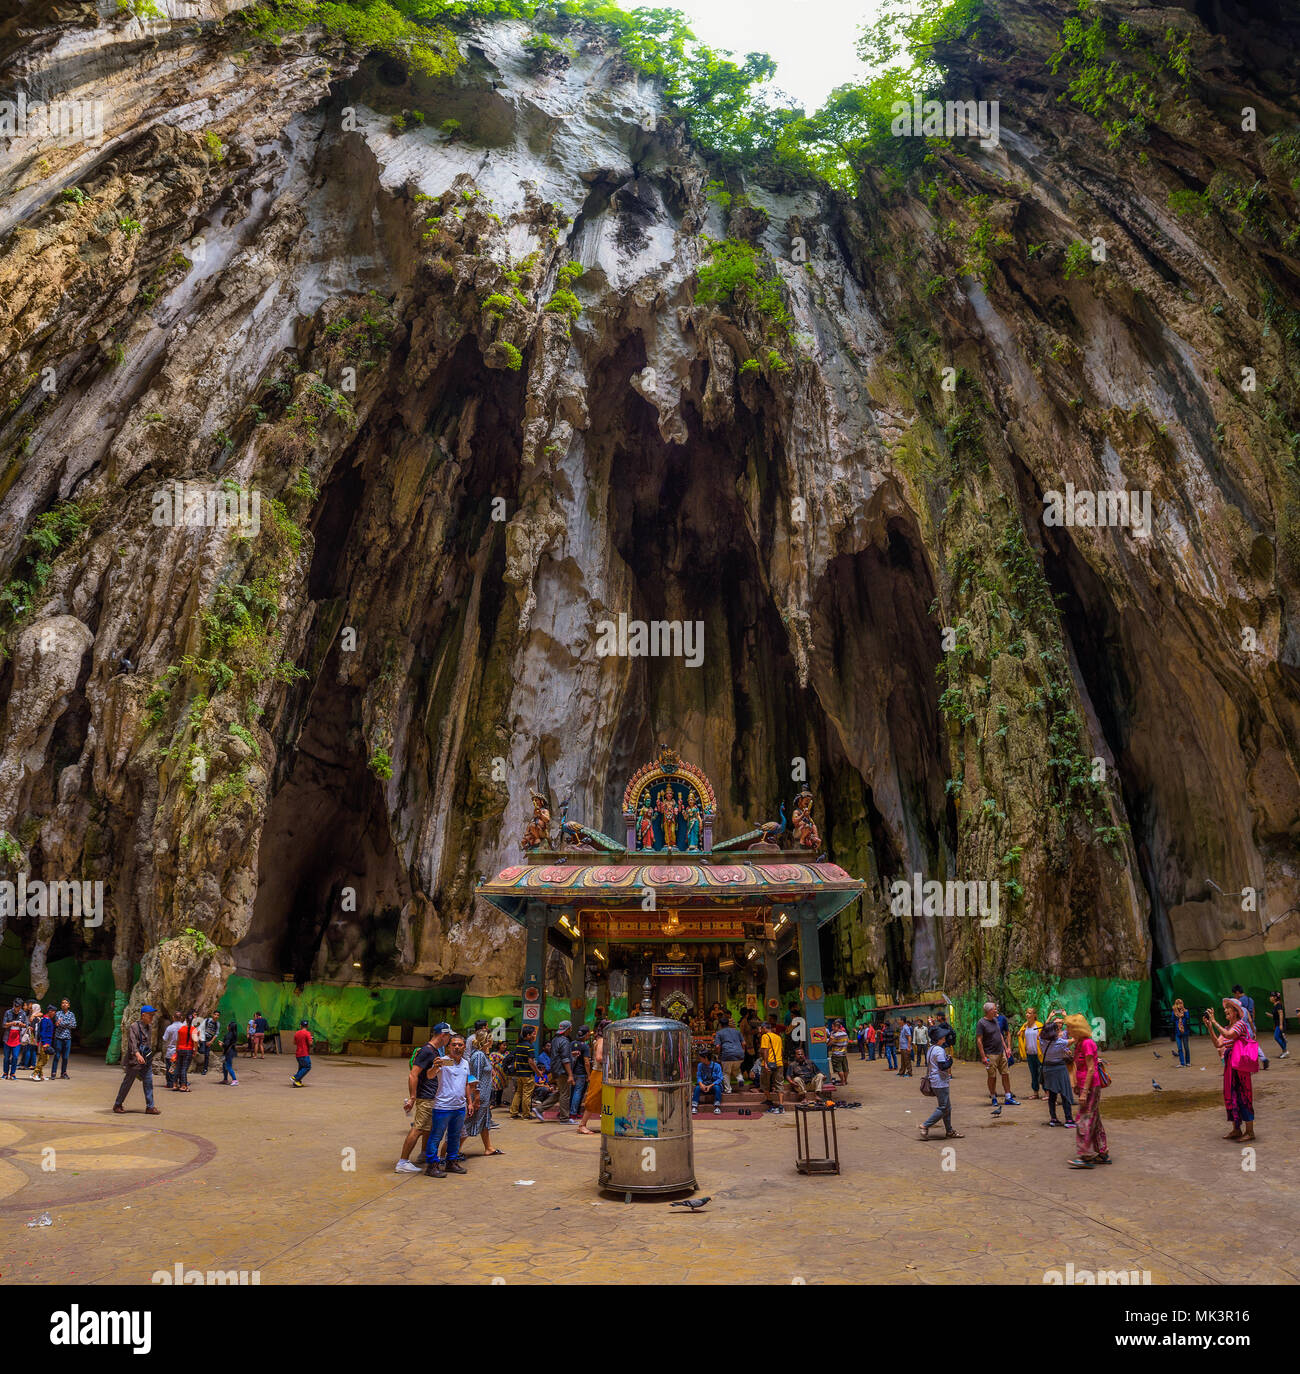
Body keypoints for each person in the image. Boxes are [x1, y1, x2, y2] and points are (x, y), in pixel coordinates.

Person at [397, 1023, 452, 1172]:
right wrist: (413, 1098)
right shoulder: (427, 1051)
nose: (449, 1039)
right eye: (449, 1036)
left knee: (428, 1128)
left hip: (430, 1095)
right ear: (443, 1035)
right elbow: (413, 1074)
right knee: (418, 1128)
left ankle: (424, 1154)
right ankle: (403, 1162)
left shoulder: (433, 1051)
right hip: (425, 1096)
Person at [424, 1035, 477, 1178]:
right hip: (442, 1106)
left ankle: (451, 1162)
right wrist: (435, 1067)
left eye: (460, 1045)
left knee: (454, 1136)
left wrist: (469, 1102)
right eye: (454, 1045)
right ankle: (432, 1165)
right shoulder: (444, 1061)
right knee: (436, 1137)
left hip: (459, 1107)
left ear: (464, 1047)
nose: (457, 1047)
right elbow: (429, 1076)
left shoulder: (466, 1063)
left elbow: (466, 1083)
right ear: (449, 1047)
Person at [1206, 998, 1257, 1142]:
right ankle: (1236, 1129)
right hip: (1230, 1066)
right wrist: (1210, 1027)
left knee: (1244, 1095)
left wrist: (1214, 1022)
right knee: (1231, 1094)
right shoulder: (1227, 1027)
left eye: (1228, 1008)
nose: (1225, 1010)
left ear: (1235, 1011)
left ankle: (1250, 1131)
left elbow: (1229, 1036)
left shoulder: (1240, 1024)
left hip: (1240, 1067)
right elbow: (1218, 1043)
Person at [1065, 1013, 1108, 1167]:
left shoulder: (1087, 1043)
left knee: (1084, 1120)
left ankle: (1085, 1156)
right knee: (1094, 1119)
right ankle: (1102, 1152)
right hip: (1085, 1086)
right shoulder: (1079, 1043)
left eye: (1069, 1027)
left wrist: (1084, 1092)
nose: (1067, 1030)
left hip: (1090, 1087)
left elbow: (1091, 1069)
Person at [462, 1027, 503, 1156]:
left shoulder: (482, 1054)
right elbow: (475, 1077)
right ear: (486, 1041)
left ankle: (488, 1147)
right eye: (490, 1040)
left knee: (485, 1121)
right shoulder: (479, 1055)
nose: (492, 1042)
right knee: (471, 1122)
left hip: (485, 1095)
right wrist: (476, 1098)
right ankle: (452, 1151)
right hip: (480, 1096)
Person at [113, 1005, 161, 1114]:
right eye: (150, 1015)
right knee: (128, 1083)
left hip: (146, 1061)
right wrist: (137, 1054)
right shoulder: (134, 1026)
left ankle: (150, 1106)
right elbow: (132, 1042)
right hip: (135, 1061)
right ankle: (117, 1104)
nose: (152, 1017)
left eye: (153, 1015)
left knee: (148, 1082)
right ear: (143, 1015)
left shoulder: (149, 1027)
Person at [918, 1028, 961, 1140]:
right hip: (940, 1082)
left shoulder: (931, 1049)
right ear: (939, 1039)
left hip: (935, 1080)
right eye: (943, 1037)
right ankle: (925, 1125)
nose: (945, 1038)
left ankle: (949, 1131)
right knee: (943, 1107)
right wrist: (950, 1062)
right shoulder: (939, 1050)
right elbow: (943, 1066)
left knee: (947, 1107)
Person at [977, 1001, 1019, 1107]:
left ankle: (1008, 1097)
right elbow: (979, 1040)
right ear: (989, 1011)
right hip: (990, 1054)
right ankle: (993, 1097)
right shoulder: (981, 1023)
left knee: (1005, 1074)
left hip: (1001, 1052)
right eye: (994, 1009)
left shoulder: (995, 1020)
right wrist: (983, 1056)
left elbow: (1000, 1035)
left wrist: (1006, 1049)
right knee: (992, 1076)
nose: (996, 1010)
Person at [534, 1019, 574, 1120]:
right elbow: (565, 1059)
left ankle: (539, 1109)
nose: (571, 1029)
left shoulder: (555, 1039)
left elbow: (558, 1055)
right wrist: (570, 1075)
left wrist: (571, 1054)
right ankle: (564, 1118)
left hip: (556, 1070)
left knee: (560, 1092)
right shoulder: (565, 1041)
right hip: (562, 1071)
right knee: (565, 1094)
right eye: (570, 1028)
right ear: (568, 1029)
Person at [1040, 1018, 1075, 1127]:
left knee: (1052, 1095)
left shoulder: (1042, 1041)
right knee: (1065, 1093)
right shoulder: (1060, 1042)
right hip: (1059, 1069)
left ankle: (1053, 1118)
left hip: (1047, 1069)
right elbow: (1073, 1039)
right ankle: (1069, 1120)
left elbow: (1041, 1033)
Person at [575, 1019, 607, 1134]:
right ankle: (582, 1125)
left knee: (603, 1099)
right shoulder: (602, 1041)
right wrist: (612, 1061)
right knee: (592, 1099)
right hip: (599, 1073)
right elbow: (599, 1058)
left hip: (601, 1073)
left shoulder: (600, 1040)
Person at [507, 1025, 538, 1120]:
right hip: (527, 1074)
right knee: (527, 1094)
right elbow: (531, 1062)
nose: (535, 1035)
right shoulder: (529, 1046)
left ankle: (513, 1113)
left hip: (519, 1073)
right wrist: (538, 1072)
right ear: (528, 1035)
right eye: (533, 1034)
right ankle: (526, 1114)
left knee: (518, 1092)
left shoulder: (519, 1045)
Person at [760, 1016, 785, 1114]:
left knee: (765, 1084)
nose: (761, 1030)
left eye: (761, 1028)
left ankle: (770, 1101)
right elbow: (781, 1051)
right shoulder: (778, 1037)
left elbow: (765, 1050)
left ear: (764, 1028)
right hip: (779, 1063)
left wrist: (765, 1063)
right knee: (779, 1083)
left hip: (768, 1063)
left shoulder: (765, 1036)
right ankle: (781, 1105)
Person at [1017, 1007, 1045, 1099]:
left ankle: (1047, 1093)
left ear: (1034, 1015)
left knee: (1042, 1074)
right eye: (1027, 1013)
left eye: (1029, 1013)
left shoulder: (1039, 1025)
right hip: (1030, 1053)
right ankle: (1035, 1093)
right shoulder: (1025, 1026)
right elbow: (1020, 1034)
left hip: (1039, 1054)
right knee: (1033, 1074)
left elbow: (1044, 1036)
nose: (1027, 1015)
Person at [713, 1014, 744, 1092]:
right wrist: (742, 1051)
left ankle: (728, 1090)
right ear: (728, 1023)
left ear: (720, 1024)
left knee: (726, 1072)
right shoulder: (737, 1031)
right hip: (739, 1054)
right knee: (737, 1069)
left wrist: (718, 1054)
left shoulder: (719, 1033)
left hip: (727, 1054)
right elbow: (744, 1043)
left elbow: (717, 1046)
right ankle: (740, 1079)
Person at [568, 1025, 591, 1123]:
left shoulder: (572, 1043)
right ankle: (573, 1114)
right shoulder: (585, 1046)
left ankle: (573, 1112)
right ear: (586, 1034)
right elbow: (586, 1062)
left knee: (573, 1092)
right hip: (581, 1073)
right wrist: (589, 1075)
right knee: (578, 1093)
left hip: (573, 1072)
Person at [52, 998, 76, 1079]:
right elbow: (59, 1024)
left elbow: (74, 1025)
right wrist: (68, 1022)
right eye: (62, 1003)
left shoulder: (71, 1014)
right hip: (58, 1038)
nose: (64, 1004)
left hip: (67, 1038)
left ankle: (63, 1073)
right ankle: (53, 1072)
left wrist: (62, 1023)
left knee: (65, 1057)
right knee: (57, 1056)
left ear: (69, 1005)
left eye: (66, 1003)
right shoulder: (58, 1013)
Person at [31, 1004, 55, 1080]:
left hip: (48, 1042)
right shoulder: (45, 1020)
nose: (54, 1014)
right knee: (44, 1060)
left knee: (41, 1058)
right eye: (54, 1012)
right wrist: (44, 1043)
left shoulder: (48, 1019)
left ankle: (40, 1075)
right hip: (45, 1043)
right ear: (50, 1011)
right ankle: (34, 1074)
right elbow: (43, 1032)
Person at [162, 1012, 183, 1090]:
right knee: (180, 1067)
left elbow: (165, 1038)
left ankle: (170, 1083)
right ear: (181, 1018)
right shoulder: (184, 1027)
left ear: (173, 1017)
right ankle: (180, 1082)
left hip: (171, 1051)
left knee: (170, 1068)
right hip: (181, 1050)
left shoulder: (170, 1028)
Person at [174, 1011, 195, 1091]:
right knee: (184, 1069)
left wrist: (176, 1051)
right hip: (188, 1050)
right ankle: (183, 1086)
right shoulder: (194, 1030)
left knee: (178, 1067)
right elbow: (195, 1042)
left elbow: (178, 1041)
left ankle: (175, 1085)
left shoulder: (181, 1029)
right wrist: (195, 1051)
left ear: (185, 1020)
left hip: (180, 1049)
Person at [291, 1020, 313, 1086]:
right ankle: (296, 1077)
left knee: (301, 1068)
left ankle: (297, 1082)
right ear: (307, 1026)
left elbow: (294, 1043)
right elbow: (310, 1043)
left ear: (300, 1026)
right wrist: (312, 1040)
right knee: (307, 1066)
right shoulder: (307, 1033)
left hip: (298, 1054)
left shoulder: (297, 1033)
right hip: (304, 1053)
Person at [1268, 991, 1289, 1059]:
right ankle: (1284, 1052)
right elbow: (1276, 1016)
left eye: (1271, 996)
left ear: (1275, 998)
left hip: (1280, 1024)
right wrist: (1270, 1015)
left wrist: (1280, 1025)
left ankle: (1285, 1051)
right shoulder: (1275, 1005)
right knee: (1281, 1038)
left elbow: (1281, 1014)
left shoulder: (1278, 1005)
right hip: (1277, 1023)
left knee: (1276, 1037)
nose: (1270, 998)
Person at [1171, 998, 1192, 1067]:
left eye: (1180, 1003)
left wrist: (1184, 1011)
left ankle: (1188, 1062)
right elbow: (1172, 1020)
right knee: (1179, 1048)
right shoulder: (1174, 1012)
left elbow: (1188, 1018)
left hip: (1185, 1032)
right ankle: (1182, 1063)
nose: (1179, 1005)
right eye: (1177, 1004)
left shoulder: (1185, 1011)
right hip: (1177, 1033)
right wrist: (1175, 1012)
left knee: (1186, 1047)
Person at [829, 1018, 850, 1084]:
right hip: (843, 1053)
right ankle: (845, 1080)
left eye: (832, 1027)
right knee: (845, 1068)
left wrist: (830, 1039)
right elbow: (847, 1042)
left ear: (836, 1027)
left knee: (839, 1069)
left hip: (836, 1054)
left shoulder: (835, 1035)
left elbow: (830, 1044)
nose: (832, 1028)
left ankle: (842, 1081)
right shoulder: (845, 1034)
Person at [220, 1016, 239, 1086]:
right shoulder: (234, 1034)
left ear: (229, 1027)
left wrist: (222, 1044)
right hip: (231, 1051)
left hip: (228, 1052)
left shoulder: (229, 1035)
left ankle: (235, 1080)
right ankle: (225, 1079)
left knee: (228, 1066)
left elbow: (227, 1044)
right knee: (225, 1065)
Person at [3, 1009, 21, 1080]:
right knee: (6, 1057)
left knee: (15, 1057)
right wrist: (12, 1023)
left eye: (18, 1007)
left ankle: (13, 1074)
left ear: (20, 1007)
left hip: (17, 1040)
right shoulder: (8, 1012)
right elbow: (4, 1024)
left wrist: (21, 1024)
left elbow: (26, 1024)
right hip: (7, 1038)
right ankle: (5, 1073)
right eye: (15, 1006)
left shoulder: (22, 1013)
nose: (16, 1009)